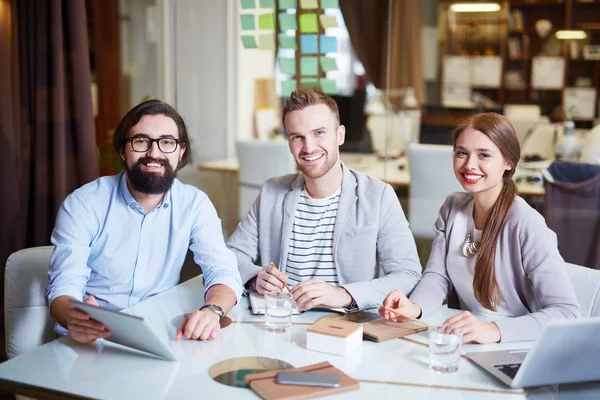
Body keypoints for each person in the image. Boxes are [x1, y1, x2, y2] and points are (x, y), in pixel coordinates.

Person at [45, 100, 242, 343]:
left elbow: (223, 270)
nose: (154, 153)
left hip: (154, 337)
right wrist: (74, 316)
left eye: (167, 142)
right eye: (141, 141)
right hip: (88, 340)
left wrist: (212, 311)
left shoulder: (194, 205)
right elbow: (63, 286)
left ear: (181, 152)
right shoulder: (84, 203)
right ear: (122, 150)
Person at [379, 112, 580, 343]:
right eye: (461, 153)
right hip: (465, 339)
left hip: (515, 343)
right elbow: (437, 276)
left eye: (483, 155)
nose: (469, 164)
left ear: (508, 162)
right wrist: (414, 307)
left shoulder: (526, 224)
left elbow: (566, 312)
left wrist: (492, 330)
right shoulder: (452, 207)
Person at [227, 88, 421, 312]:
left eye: (319, 132)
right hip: (280, 322)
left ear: (340, 135)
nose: (308, 147)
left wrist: (343, 294)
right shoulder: (272, 192)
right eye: (297, 137)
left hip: (346, 327)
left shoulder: (378, 197)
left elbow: (408, 274)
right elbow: (232, 255)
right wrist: (254, 278)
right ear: (289, 143)